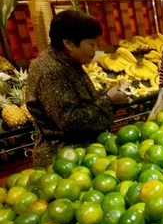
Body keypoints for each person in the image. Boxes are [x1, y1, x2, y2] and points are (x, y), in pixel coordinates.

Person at [26, 10, 128, 168]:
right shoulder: (51, 71)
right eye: (91, 44)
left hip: (83, 155)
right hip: (64, 160)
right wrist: (108, 100)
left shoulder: (66, 61)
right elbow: (72, 121)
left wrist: (106, 95)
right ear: (69, 43)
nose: (95, 49)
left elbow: (80, 100)